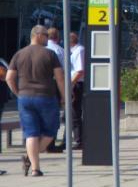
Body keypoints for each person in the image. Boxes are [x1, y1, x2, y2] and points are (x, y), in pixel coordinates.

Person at [5, 25, 65, 176]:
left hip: (25, 98)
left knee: (31, 133)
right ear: (37, 35)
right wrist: (65, 95)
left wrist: (18, 93)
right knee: (51, 131)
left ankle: (35, 168)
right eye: (45, 35)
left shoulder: (19, 54)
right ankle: (30, 158)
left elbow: (9, 77)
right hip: (46, 97)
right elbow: (59, 78)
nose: (47, 38)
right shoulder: (50, 54)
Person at [45, 27, 66, 153]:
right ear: (57, 37)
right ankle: (50, 144)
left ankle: (33, 144)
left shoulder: (39, 48)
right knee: (53, 116)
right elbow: (62, 73)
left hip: (38, 84)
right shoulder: (59, 50)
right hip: (54, 85)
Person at [69, 32, 85, 148]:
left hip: (77, 84)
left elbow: (80, 71)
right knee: (71, 112)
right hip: (75, 82)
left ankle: (79, 140)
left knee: (75, 112)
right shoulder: (75, 51)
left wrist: (70, 84)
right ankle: (73, 138)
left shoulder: (79, 51)